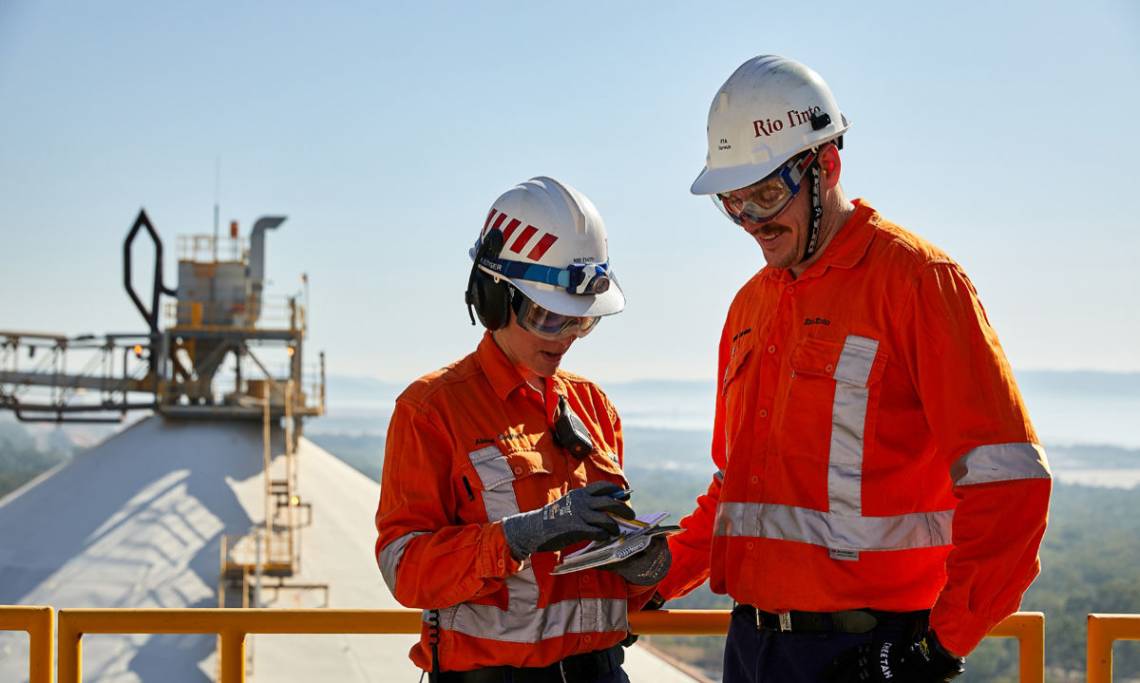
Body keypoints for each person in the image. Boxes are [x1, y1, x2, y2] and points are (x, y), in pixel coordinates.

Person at [652, 55, 1052, 683]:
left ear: (826, 165)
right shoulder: (750, 307)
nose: (752, 222)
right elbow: (739, 493)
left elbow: (1011, 486)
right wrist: (650, 580)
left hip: (869, 655)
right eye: (734, 202)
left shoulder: (918, 283)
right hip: (751, 649)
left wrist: (936, 652)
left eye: (765, 194)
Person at [375, 176, 671, 683]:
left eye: (581, 321)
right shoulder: (432, 410)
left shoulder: (594, 407)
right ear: (493, 298)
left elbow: (607, 589)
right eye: (547, 317)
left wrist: (640, 571)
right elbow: (405, 569)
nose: (567, 339)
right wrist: (522, 535)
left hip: (600, 672)